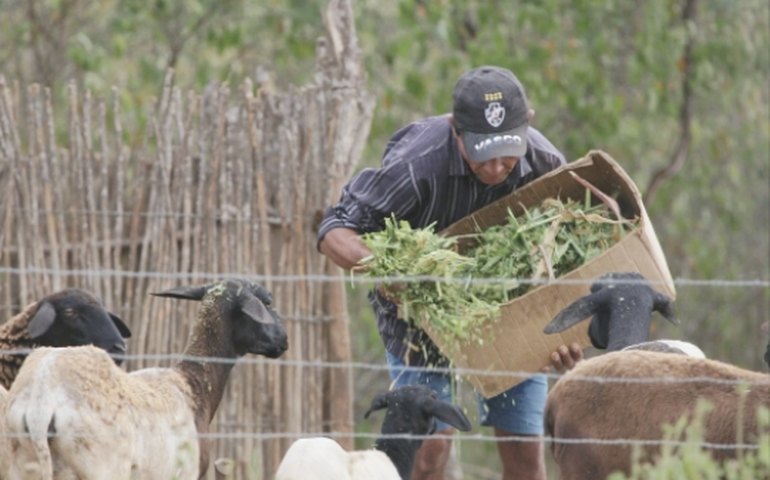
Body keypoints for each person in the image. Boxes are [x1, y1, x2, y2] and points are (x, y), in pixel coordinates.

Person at [317, 65, 583, 480]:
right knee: (430, 450)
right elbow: (334, 229)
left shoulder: (547, 165)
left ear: (527, 124)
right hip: (419, 317)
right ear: (455, 130)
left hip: (511, 311)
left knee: (526, 456)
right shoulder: (416, 166)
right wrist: (390, 271)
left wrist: (564, 332)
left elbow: (574, 259)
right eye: (482, 154)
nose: (495, 167)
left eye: (507, 154)